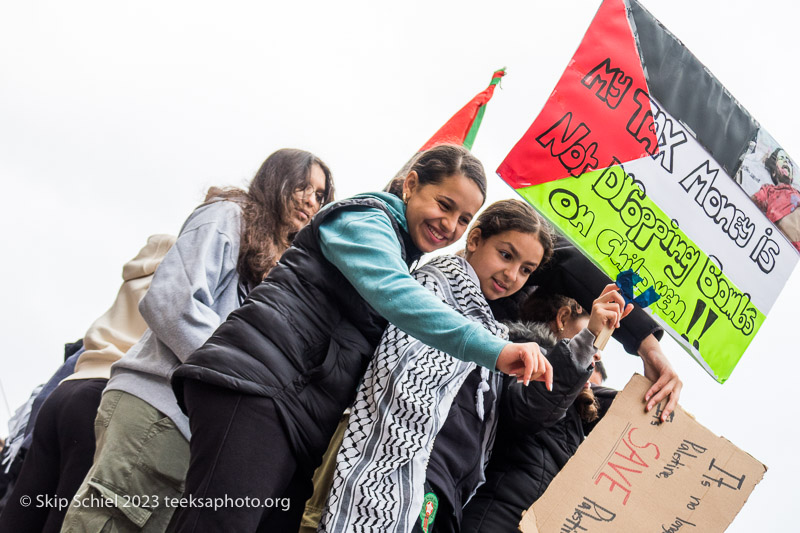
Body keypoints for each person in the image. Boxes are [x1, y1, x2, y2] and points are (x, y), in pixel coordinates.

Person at [169, 144, 551, 532]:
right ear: (412, 185)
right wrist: (495, 350)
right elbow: (396, 294)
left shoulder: (404, 255)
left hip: (299, 417)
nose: (449, 224)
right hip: (257, 388)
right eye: (444, 204)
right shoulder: (363, 217)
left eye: (463, 218)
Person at [60, 148, 334, 533]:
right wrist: (242, 372)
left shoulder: (280, 264)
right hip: (155, 408)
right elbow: (170, 302)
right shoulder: (228, 215)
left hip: (195, 426)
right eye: (303, 185)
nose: (311, 200)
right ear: (276, 179)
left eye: (321, 195)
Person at [319, 199, 579, 532]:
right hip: (404, 478)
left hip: (448, 490)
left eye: (526, 269)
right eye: (506, 254)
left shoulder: (495, 329)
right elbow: (402, 386)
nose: (512, 275)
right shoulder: (433, 288)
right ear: (475, 240)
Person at [0, 234, 174, 533]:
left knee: (21, 515)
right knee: (63, 519)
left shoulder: (138, 274)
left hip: (68, 387)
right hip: (105, 398)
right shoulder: (182, 277)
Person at [461, 291, 618, 532]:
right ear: (563, 317)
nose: (595, 350)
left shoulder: (574, 384)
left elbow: (628, 409)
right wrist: (584, 345)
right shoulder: (517, 352)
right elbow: (531, 409)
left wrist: (656, 367)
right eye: (593, 332)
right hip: (497, 519)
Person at [751, 147, 800, 252]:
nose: (786, 161)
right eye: (782, 158)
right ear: (774, 172)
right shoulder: (769, 190)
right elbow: (751, 203)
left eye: (789, 162)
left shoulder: (798, 194)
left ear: (792, 177)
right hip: (784, 246)